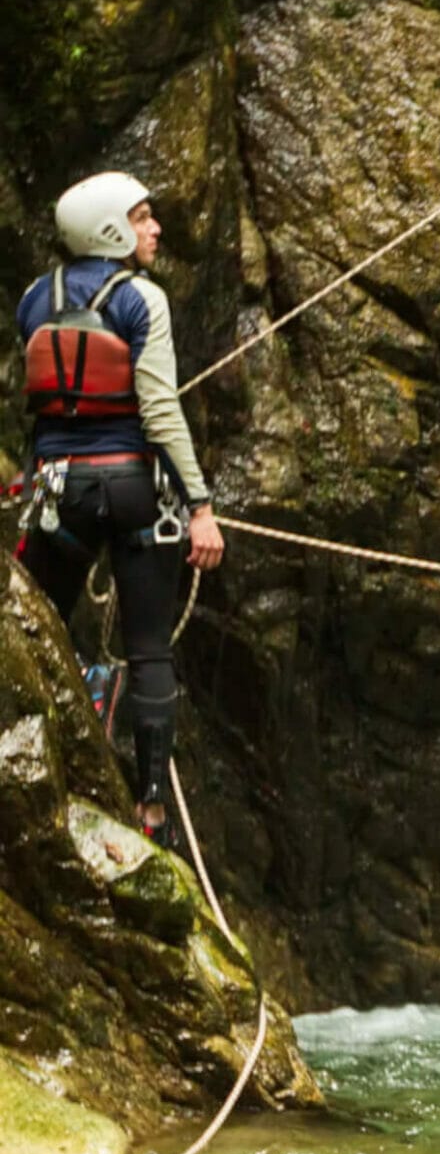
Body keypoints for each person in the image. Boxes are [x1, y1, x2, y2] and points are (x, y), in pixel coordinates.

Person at [12, 171, 224, 836]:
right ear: (109, 229)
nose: (155, 229)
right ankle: (151, 806)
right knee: (149, 648)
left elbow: (40, 400)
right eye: (140, 218)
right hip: (134, 491)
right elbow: (159, 410)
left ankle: (64, 711)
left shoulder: (34, 298)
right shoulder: (141, 298)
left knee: (34, 621)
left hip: (59, 490)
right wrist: (200, 506)